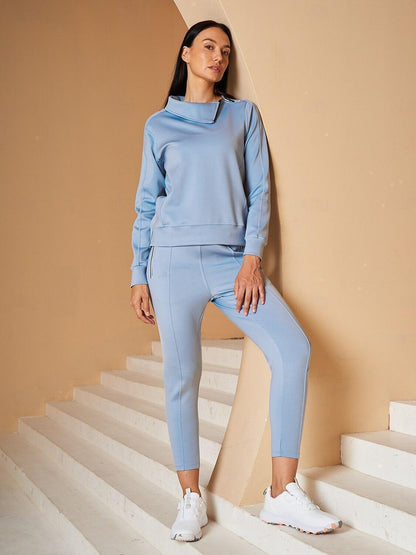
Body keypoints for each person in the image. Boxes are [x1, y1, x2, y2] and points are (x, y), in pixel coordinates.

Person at [130, 19, 342, 542]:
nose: (218, 57)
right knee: (182, 378)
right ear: (185, 53)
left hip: (232, 262)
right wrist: (138, 272)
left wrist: (252, 257)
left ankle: (281, 494)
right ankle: (189, 498)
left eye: (225, 51)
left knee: (292, 349)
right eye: (208, 46)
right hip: (171, 263)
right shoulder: (159, 125)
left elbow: (260, 190)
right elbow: (146, 204)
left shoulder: (242, 116)